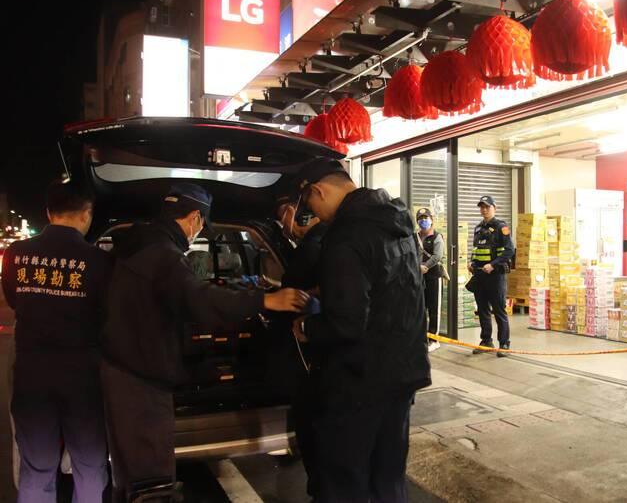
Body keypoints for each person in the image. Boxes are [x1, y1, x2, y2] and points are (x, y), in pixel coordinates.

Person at [100, 183, 308, 503]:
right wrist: (266, 300)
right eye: (201, 225)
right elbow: (200, 300)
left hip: (124, 370)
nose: (199, 231)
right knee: (151, 477)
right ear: (195, 217)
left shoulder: (135, 245)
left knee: (131, 471)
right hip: (142, 381)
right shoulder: (163, 255)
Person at [290, 159, 431, 503]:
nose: (313, 215)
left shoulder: (345, 236)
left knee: (343, 479)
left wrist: (306, 326)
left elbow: (346, 324)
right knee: (388, 477)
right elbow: (394, 287)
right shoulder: (397, 220)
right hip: (403, 372)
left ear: (319, 191)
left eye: (309, 205)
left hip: (359, 381)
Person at [2, 182, 112, 503]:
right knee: (89, 465)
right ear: (86, 214)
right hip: (82, 376)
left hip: (32, 372)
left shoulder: (16, 254)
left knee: (36, 468)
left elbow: (14, 299)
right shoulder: (98, 260)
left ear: (49, 213)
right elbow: (108, 314)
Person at [275, 194, 328, 499]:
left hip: (311, 346)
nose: (284, 223)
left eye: (284, 214)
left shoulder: (314, 245)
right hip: (325, 350)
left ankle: (320, 488)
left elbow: (295, 292)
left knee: (311, 422)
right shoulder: (330, 240)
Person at [469, 196, 514, 358]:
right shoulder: (478, 228)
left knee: (499, 310)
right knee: (482, 310)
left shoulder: (502, 227)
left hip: (496, 275)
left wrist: (493, 264)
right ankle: (486, 341)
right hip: (480, 275)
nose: (484, 210)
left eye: (487, 207)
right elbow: (476, 250)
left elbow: (510, 250)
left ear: (494, 208)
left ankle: (504, 344)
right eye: (481, 207)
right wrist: (472, 263)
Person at [416, 208, 445, 353]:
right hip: (418, 276)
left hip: (433, 276)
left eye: (425, 218)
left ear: (431, 220)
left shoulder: (437, 237)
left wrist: (426, 266)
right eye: (420, 218)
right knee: (421, 308)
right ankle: (422, 338)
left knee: (434, 309)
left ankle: (434, 340)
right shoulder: (415, 237)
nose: (423, 221)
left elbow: (438, 255)